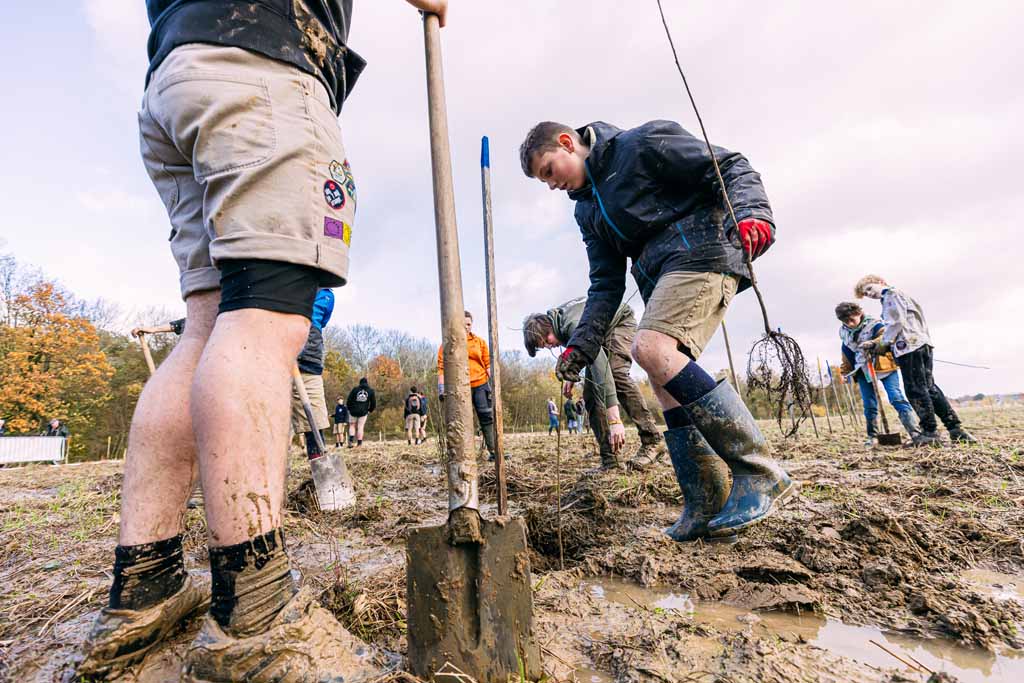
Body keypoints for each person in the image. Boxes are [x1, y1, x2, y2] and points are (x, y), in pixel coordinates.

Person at [74, 3, 450, 681]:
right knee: (264, 321)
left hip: (176, 72)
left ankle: (143, 591)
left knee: (207, 324)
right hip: (261, 61)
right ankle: (259, 617)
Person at [519, 119, 794, 541]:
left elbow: (730, 165)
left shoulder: (640, 145)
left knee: (649, 348)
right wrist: (581, 347)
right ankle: (705, 500)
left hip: (702, 251)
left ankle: (759, 470)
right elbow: (606, 284)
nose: (551, 186)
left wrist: (752, 213)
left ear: (566, 142)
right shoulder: (587, 209)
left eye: (549, 172)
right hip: (659, 277)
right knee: (663, 380)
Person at [523, 297, 667, 469]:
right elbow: (585, 347)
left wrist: (614, 420)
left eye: (547, 341)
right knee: (591, 394)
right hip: (597, 333)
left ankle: (653, 440)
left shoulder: (571, 325)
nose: (549, 346)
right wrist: (572, 371)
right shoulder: (559, 323)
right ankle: (610, 460)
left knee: (614, 373)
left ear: (549, 327)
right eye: (544, 346)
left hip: (618, 323)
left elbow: (601, 368)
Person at [855, 275, 977, 446]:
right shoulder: (901, 295)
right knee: (929, 388)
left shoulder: (891, 295)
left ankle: (930, 433)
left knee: (915, 390)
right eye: (866, 294)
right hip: (922, 344)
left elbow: (896, 322)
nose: (870, 294)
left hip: (910, 348)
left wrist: (883, 343)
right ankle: (956, 429)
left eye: (869, 288)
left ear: (880, 282)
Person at [835, 302, 920, 446]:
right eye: (845, 321)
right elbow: (846, 351)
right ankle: (872, 436)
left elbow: (885, 337)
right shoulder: (844, 332)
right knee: (869, 404)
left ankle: (915, 433)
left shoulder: (875, 325)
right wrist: (845, 370)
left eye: (851, 319)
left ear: (859, 313)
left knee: (896, 397)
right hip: (862, 369)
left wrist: (872, 343)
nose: (849, 324)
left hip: (884, 366)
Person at [437, 311, 498, 460]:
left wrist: (496, 384)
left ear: (472, 324)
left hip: (480, 384)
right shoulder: (448, 343)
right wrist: (441, 388)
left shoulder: (479, 342)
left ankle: (494, 452)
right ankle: (463, 456)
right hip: (459, 387)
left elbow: (488, 364)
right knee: (460, 421)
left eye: (469, 324)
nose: (467, 327)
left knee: (487, 417)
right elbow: (441, 367)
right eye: (463, 324)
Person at [291, 289, 334, 459]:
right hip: (280, 350)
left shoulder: (326, 294)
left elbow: (321, 321)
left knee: (314, 421)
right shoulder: (327, 294)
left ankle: (319, 467)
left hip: (309, 359)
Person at [346, 378, 376, 447]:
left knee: (352, 425)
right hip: (363, 412)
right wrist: (370, 410)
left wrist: (349, 408)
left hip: (353, 411)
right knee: (360, 427)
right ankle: (359, 443)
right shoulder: (371, 391)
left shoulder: (355, 389)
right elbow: (373, 403)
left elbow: (349, 400)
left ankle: (350, 441)